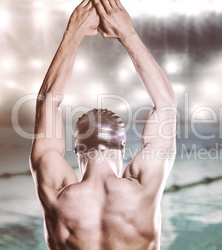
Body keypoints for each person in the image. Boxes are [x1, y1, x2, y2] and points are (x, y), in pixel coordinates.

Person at [29, 0, 177, 249]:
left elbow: (47, 103)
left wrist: (73, 33)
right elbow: (165, 105)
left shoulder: (58, 194)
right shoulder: (142, 189)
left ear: (77, 149)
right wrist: (127, 34)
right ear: (121, 146)